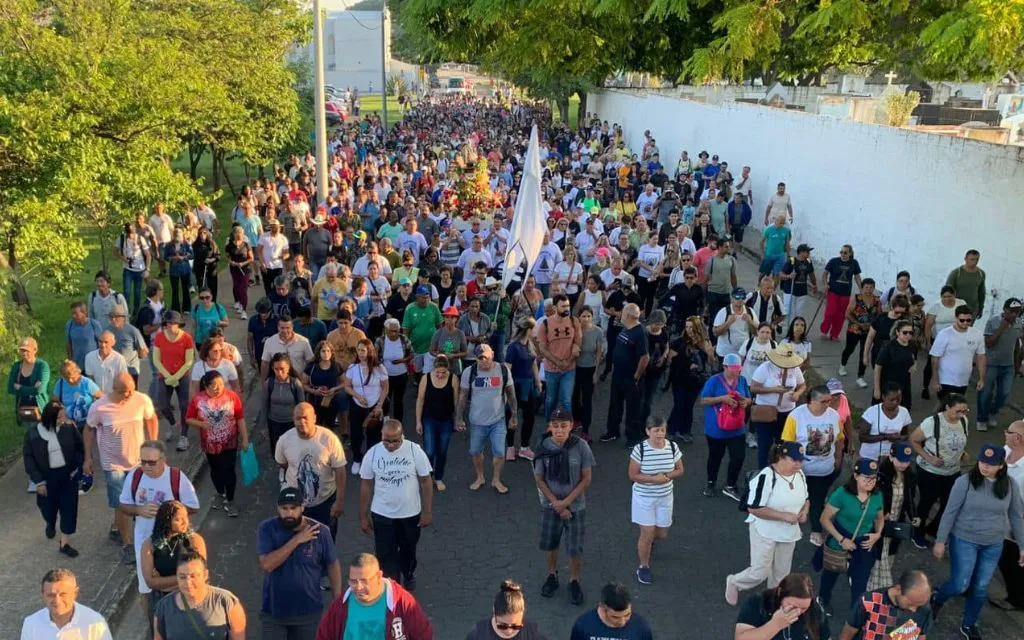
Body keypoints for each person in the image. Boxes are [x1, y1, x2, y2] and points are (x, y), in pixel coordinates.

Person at [931, 445, 1024, 640]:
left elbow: (1016, 516)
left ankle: (969, 623)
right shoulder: (964, 482)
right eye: (982, 462)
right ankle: (937, 598)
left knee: (981, 587)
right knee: (960, 584)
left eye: (990, 464)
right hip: (964, 539)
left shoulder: (1010, 485)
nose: (985, 467)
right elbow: (950, 511)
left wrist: (1022, 545)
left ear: (1001, 465)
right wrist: (941, 540)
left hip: (993, 544)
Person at [121, 440, 200, 619]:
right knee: (146, 590)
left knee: (182, 583)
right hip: (144, 543)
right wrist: (138, 510)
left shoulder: (176, 478)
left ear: (163, 459)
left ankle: (183, 621)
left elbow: (194, 507)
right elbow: (124, 505)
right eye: (143, 461)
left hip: (173, 544)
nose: (146, 466)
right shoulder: (134, 476)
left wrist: (169, 514)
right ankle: (155, 625)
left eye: (152, 462)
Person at [84, 372, 159, 561]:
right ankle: (127, 544)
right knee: (123, 504)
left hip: (137, 462)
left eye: (132, 390)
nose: (129, 395)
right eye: (125, 392)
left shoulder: (141, 400)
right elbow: (88, 429)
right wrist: (88, 458)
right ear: (114, 389)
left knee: (137, 500)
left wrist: (154, 444)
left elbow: (151, 418)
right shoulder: (99, 407)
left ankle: (117, 528)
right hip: (113, 464)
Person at [726, 442, 809, 607]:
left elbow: (806, 499)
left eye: (801, 460)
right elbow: (754, 508)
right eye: (795, 460)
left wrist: (804, 512)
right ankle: (735, 582)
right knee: (760, 572)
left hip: (788, 533)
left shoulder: (799, 475)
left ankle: (773, 601)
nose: (799, 464)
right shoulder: (766, 477)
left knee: (781, 573)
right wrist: (783, 516)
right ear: (781, 457)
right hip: (765, 530)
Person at [257, 487, 341, 640]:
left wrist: (337, 600)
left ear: (302, 507)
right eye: (284, 508)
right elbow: (267, 564)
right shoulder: (267, 529)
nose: (289, 513)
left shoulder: (321, 531)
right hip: (274, 613)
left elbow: (332, 565)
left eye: (293, 508)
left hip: (308, 614)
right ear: (278, 508)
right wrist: (297, 540)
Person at [359, 419, 433, 591]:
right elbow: (366, 485)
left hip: (410, 514)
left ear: (402, 436)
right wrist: (363, 516)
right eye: (387, 440)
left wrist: (427, 511)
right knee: (385, 555)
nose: (391, 445)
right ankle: (393, 588)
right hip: (382, 514)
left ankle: (408, 573)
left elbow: (426, 481)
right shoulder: (373, 453)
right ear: (381, 436)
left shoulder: (414, 451)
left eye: (395, 441)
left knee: (408, 549)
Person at [534, 407, 595, 606]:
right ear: (550, 427)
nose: (560, 430)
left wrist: (566, 503)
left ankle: (574, 580)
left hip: (575, 506)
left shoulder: (582, 446)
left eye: (564, 426)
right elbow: (539, 479)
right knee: (551, 543)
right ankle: (552, 575)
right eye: (556, 426)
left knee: (574, 547)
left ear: (571, 426)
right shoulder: (543, 447)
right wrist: (556, 504)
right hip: (550, 504)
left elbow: (586, 479)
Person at [816, 458, 885, 615]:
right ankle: (823, 598)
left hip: (865, 543)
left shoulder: (877, 495)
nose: (871, 481)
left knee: (860, 582)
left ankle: (856, 616)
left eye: (874, 478)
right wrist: (841, 539)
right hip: (841, 538)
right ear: (855, 475)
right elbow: (824, 519)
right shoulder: (842, 494)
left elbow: (879, 517)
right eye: (867, 477)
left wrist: (878, 534)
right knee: (831, 572)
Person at [314, 552, 433, 640]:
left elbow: (423, 634)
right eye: (353, 581)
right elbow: (324, 635)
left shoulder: (401, 602)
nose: (358, 587)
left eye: (364, 581)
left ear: (379, 576)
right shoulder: (340, 606)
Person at [781, 386, 843, 548]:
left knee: (817, 499)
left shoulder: (834, 416)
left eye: (829, 401)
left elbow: (840, 439)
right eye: (824, 401)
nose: (828, 404)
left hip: (825, 470)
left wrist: (838, 457)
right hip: (801, 470)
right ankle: (796, 519)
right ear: (812, 401)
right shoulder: (796, 416)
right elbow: (787, 443)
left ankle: (816, 529)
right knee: (800, 498)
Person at [275, 403, 347, 537]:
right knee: (296, 540)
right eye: (297, 418)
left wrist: (340, 501)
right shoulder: (285, 440)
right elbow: (282, 463)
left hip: (325, 502)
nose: (301, 422)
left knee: (326, 539)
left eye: (305, 417)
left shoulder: (329, 439)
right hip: (296, 503)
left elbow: (340, 470)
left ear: (314, 418)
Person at [909, 392, 969, 549]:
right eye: (958, 411)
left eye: (964, 411)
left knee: (949, 504)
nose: (961, 414)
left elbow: (958, 440)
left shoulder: (963, 421)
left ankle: (934, 529)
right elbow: (914, 440)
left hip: (952, 472)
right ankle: (917, 533)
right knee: (926, 504)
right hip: (929, 472)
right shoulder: (932, 422)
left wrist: (962, 453)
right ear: (947, 407)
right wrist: (929, 458)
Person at [23, 400, 84, 557]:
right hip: (46, 478)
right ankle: (50, 522)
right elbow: (29, 459)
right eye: (59, 418)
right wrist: (39, 481)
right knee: (48, 508)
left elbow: (79, 447)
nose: (63, 420)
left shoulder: (69, 427)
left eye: (63, 416)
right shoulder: (33, 434)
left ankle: (64, 543)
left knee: (69, 508)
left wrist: (77, 466)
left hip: (67, 475)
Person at [629, 415, 684, 585]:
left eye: (662, 430)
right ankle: (643, 566)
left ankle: (648, 542)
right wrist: (654, 479)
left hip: (665, 497)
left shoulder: (672, 447)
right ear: (648, 431)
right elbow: (633, 475)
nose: (659, 434)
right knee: (646, 534)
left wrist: (666, 476)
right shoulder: (640, 450)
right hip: (644, 497)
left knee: (661, 533)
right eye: (656, 431)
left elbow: (680, 469)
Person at [185, 370, 248, 517]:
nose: (218, 387)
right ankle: (221, 493)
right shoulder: (198, 400)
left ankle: (231, 500)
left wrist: (245, 438)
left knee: (229, 470)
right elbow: (188, 418)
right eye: (214, 385)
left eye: (220, 384)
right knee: (216, 470)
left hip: (230, 442)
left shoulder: (232, 396)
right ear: (206, 386)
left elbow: (240, 418)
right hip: (211, 444)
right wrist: (201, 424)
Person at [459, 344, 517, 493]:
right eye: (480, 358)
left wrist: (514, 415)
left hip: (498, 420)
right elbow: (463, 397)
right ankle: (480, 477)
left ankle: (496, 480)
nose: (484, 361)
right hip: (477, 422)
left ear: (492, 354)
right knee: (475, 451)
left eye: (486, 357)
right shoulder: (469, 372)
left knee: (499, 452)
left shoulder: (503, 370)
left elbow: (511, 394)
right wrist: (458, 418)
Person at [153, 551, 246, 640]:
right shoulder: (163, 608)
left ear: (205, 575)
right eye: (182, 577)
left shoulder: (226, 602)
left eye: (193, 576)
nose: (188, 582)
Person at [866, 442, 919, 591]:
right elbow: (869, 498)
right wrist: (881, 513)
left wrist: (913, 515)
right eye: (900, 460)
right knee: (879, 557)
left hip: (896, 524)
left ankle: (877, 589)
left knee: (889, 556)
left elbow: (909, 498)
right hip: (878, 524)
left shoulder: (910, 475)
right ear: (890, 457)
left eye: (907, 461)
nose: (903, 464)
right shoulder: (880, 475)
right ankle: (878, 591)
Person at [140, 500, 207, 617]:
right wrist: (185, 578)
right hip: (162, 600)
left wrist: (163, 582)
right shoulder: (150, 544)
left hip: (190, 596)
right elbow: (150, 582)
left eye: (186, 517)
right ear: (166, 521)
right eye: (178, 519)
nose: (185, 522)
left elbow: (199, 575)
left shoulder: (195, 540)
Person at [701, 352, 752, 500]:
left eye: (738, 368)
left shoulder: (742, 381)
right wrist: (722, 398)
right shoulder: (714, 381)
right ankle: (711, 482)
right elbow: (704, 400)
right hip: (716, 429)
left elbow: (749, 399)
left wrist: (745, 402)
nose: (736, 371)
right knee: (715, 456)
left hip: (737, 428)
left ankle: (731, 485)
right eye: (733, 368)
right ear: (724, 367)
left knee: (738, 457)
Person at [750, 343, 807, 468]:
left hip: (787, 413)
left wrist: (797, 394)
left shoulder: (795, 369)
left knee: (784, 445)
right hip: (766, 411)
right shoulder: (765, 368)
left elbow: (802, 385)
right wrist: (773, 390)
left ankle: (780, 470)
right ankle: (763, 472)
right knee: (764, 445)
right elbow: (754, 388)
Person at [602, 303, 649, 446]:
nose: (620, 314)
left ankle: (633, 438)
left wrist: (636, 377)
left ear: (628, 315)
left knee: (632, 409)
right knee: (614, 405)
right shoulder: (625, 329)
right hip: (618, 376)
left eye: (622, 312)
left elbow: (645, 357)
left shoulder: (640, 332)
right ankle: (612, 432)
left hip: (631, 378)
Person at [838, 570, 933, 640]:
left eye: (919, 604)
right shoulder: (869, 601)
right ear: (898, 589)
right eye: (910, 603)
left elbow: (921, 634)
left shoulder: (923, 606)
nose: (914, 610)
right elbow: (847, 633)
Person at [21, 568, 113, 640]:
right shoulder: (31, 624)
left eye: (63, 594)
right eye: (51, 595)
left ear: (75, 593)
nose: (57, 600)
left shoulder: (94, 623)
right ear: (42, 596)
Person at [734, 573, 830, 640]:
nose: (798, 612)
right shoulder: (757, 603)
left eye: (804, 608)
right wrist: (775, 625)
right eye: (793, 606)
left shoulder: (815, 610)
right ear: (780, 593)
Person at [152, 310, 196, 451]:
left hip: (182, 376)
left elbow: (189, 361)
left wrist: (176, 377)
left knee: (184, 405)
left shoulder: (187, 338)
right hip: (165, 375)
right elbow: (156, 360)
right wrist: (168, 376)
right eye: (168, 323)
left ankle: (184, 435)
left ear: (179, 324)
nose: (169, 326)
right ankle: (172, 424)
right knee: (163, 404)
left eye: (172, 323)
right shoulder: (159, 337)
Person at [977, 298, 1023, 431]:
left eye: (1017, 312)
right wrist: (1002, 328)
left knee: (1004, 394)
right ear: (1004, 310)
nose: (1014, 315)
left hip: (1008, 365)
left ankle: (993, 411)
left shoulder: (1018, 323)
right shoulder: (993, 321)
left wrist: (1017, 365)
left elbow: (1016, 345)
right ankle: (981, 418)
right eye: (1011, 311)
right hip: (991, 363)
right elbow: (989, 343)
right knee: (985, 393)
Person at [993, 420, 1024, 611]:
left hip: (1011, 528)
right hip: (992, 519)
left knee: (1010, 564)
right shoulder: (1006, 450)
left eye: (1008, 431)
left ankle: (1017, 599)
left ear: (1018, 439)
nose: (1005, 433)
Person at [344, 339, 389, 473]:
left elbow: (385, 387)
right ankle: (357, 458)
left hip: (374, 405)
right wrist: (357, 396)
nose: (361, 353)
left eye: (363, 350)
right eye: (358, 350)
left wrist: (379, 405)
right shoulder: (352, 368)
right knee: (356, 434)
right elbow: (347, 386)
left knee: (373, 434)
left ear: (369, 351)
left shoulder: (379, 368)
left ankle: (371, 460)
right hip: (357, 405)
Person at [415, 354, 458, 492]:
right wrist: (418, 422)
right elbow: (420, 401)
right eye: (438, 372)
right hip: (429, 419)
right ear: (433, 369)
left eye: (443, 372)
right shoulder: (426, 378)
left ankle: (438, 477)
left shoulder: (453, 379)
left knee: (442, 451)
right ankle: (427, 476)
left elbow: (457, 402)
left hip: (446, 420)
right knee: (429, 450)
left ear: (448, 370)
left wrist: (457, 420)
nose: (440, 375)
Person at [928, 304, 986, 402]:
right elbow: (935, 358)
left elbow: (981, 356)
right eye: (962, 320)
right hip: (945, 379)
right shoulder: (944, 334)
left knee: (953, 408)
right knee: (949, 407)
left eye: (968, 320)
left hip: (964, 380)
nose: (965, 323)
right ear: (955, 318)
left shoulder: (977, 334)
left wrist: (981, 378)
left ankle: (937, 417)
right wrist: (935, 379)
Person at [537, 293, 581, 421]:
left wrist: (568, 361)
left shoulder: (574, 321)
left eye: (568, 306)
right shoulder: (546, 324)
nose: (567, 309)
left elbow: (578, 343)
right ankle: (550, 426)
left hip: (569, 369)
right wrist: (558, 362)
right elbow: (542, 349)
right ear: (555, 307)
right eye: (563, 306)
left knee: (566, 400)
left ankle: (567, 429)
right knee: (551, 400)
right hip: (551, 369)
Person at [922, 286, 967, 400]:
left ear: (954, 295)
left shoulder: (961, 304)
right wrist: (928, 342)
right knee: (931, 364)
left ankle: (950, 387)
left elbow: (965, 319)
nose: (947, 299)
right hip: (938, 339)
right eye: (944, 297)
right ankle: (925, 387)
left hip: (956, 339)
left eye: (950, 296)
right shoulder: (936, 306)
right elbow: (928, 325)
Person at [464, 580, 548, 640]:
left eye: (516, 626)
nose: (509, 631)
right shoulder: (478, 633)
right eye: (502, 626)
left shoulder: (533, 633)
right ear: (494, 611)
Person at [569, 582, 653, 640]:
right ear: (602, 607)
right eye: (615, 617)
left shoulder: (641, 628)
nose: (622, 622)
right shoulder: (583, 626)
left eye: (627, 615)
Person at [857, 383, 913, 467]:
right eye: (891, 399)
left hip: (891, 458)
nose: (895, 402)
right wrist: (886, 437)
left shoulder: (904, 412)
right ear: (883, 397)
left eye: (898, 399)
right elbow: (862, 437)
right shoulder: (872, 412)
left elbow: (905, 435)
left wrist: (900, 438)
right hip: (869, 457)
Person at [839, 278, 880, 389]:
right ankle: (842, 365)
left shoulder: (877, 300)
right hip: (854, 329)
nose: (868, 290)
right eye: (866, 287)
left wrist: (873, 325)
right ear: (862, 288)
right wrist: (858, 323)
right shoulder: (856, 298)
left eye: (871, 287)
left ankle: (860, 377)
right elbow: (847, 314)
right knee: (849, 349)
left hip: (868, 331)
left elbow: (879, 315)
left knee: (864, 352)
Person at [571, 306, 604, 440]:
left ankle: (586, 428)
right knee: (574, 397)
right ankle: (576, 420)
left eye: (588, 316)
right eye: (583, 316)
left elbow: (598, 353)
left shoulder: (597, 331)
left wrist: (596, 372)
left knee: (587, 399)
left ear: (592, 317)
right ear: (579, 317)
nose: (586, 319)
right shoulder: (574, 331)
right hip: (575, 368)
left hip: (589, 369)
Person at [819, 245, 862, 341]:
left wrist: (861, 289)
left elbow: (857, 277)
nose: (843, 254)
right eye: (841, 252)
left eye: (845, 252)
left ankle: (835, 334)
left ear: (850, 253)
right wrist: (825, 284)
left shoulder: (854, 263)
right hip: (833, 291)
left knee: (841, 315)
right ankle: (824, 330)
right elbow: (825, 274)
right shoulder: (834, 261)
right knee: (830, 312)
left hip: (845, 293)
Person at [375, 319, 414, 422]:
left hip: (401, 374)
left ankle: (398, 423)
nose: (394, 333)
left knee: (399, 400)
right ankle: (385, 419)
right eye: (391, 331)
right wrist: (379, 364)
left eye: (396, 330)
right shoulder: (380, 341)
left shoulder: (403, 339)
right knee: (385, 398)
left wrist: (403, 360)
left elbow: (411, 354)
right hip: (385, 376)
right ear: (386, 330)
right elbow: (375, 357)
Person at [872, 320, 917, 408]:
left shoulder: (913, 346)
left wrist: (914, 365)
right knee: (886, 411)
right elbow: (878, 367)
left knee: (904, 410)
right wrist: (877, 389)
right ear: (897, 332)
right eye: (905, 332)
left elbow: (914, 358)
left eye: (911, 333)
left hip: (904, 385)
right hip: (888, 385)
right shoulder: (889, 347)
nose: (908, 335)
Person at [713, 287, 757, 359]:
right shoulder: (724, 311)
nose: (740, 299)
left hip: (743, 353)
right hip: (726, 353)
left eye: (743, 297)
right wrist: (728, 323)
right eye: (737, 297)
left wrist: (750, 321)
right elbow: (715, 333)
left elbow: (756, 333)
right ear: (732, 298)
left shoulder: (750, 311)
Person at [945, 249, 986, 317]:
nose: (974, 262)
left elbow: (982, 292)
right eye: (972, 259)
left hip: (972, 309)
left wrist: (981, 308)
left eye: (977, 260)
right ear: (965, 259)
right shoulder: (956, 273)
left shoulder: (981, 274)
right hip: (956, 308)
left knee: (968, 327)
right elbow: (947, 292)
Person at [65, 302, 104, 371]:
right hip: (77, 366)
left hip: (93, 365)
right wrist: (70, 362)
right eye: (72, 314)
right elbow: (68, 344)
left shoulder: (94, 324)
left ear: (84, 313)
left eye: (76, 314)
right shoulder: (69, 325)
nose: (73, 316)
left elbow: (102, 344)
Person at [163, 229, 194, 314]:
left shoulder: (186, 244)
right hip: (174, 270)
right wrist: (173, 258)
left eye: (179, 235)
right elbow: (165, 256)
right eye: (176, 235)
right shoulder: (169, 245)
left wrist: (183, 257)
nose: (177, 237)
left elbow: (192, 254)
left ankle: (186, 308)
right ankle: (176, 309)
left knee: (185, 289)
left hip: (185, 269)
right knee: (175, 290)